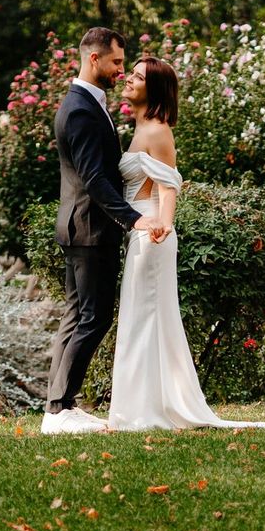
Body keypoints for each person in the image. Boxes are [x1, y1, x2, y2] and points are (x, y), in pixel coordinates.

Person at [109, 57, 265, 435]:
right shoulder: (139, 128)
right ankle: (136, 408)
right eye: (131, 73)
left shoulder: (157, 131)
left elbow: (169, 186)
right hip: (140, 230)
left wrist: (163, 227)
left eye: (137, 76)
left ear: (153, 89)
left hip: (151, 234)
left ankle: (144, 412)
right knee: (140, 318)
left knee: (146, 318)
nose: (129, 79)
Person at [43, 28, 168, 438]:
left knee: (77, 315)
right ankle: (61, 407)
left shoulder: (88, 103)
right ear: (94, 59)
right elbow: (95, 179)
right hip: (90, 229)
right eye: (116, 62)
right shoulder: (80, 109)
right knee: (93, 319)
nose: (120, 71)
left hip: (82, 227)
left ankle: (58, 406)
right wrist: (133, 219)